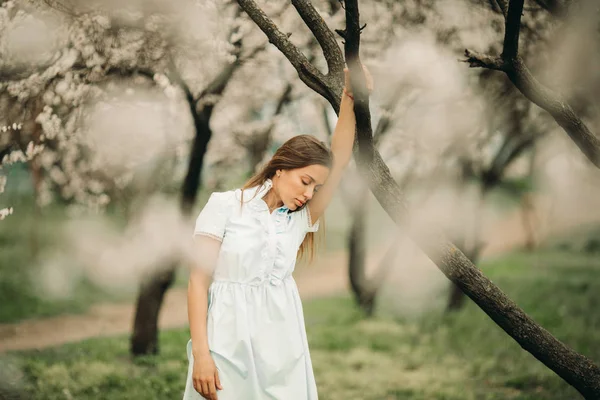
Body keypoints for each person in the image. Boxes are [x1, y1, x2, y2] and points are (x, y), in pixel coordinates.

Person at [183, 66, 372, 400]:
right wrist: (201, 354)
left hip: (282, 347)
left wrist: (351, 98)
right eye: (305, 181)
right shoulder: (224, 206)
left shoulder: (299, 220)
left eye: (317, 187)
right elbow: (198, 282)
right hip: (228, 342)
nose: (309, 194)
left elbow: (340, 159)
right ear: (281, 167)